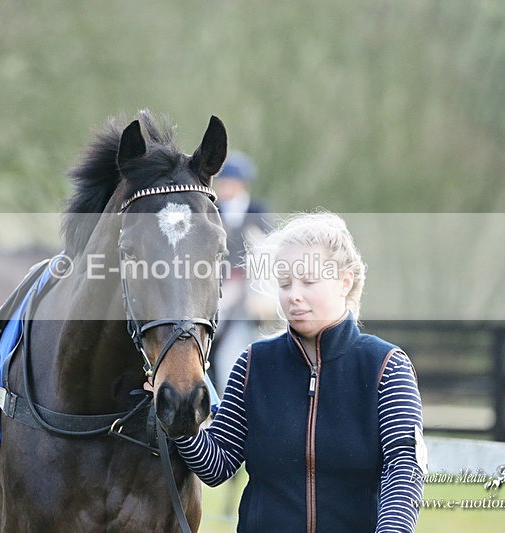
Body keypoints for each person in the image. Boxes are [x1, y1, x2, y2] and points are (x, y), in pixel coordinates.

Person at [172, 212, 426, 532]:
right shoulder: (253, 364)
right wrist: (182, 420)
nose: (293, 295)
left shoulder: (386, 366)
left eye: (308, 281)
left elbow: (404, 469)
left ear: (344, 282)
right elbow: (217, 465)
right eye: (284, 283)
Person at [210, 150, 274, 394]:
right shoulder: (213, 211)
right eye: (223, 182)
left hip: (252, 288)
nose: (226, 187)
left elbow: (265, 254)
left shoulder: (257, 211)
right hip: (222, 288)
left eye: (231, 182)